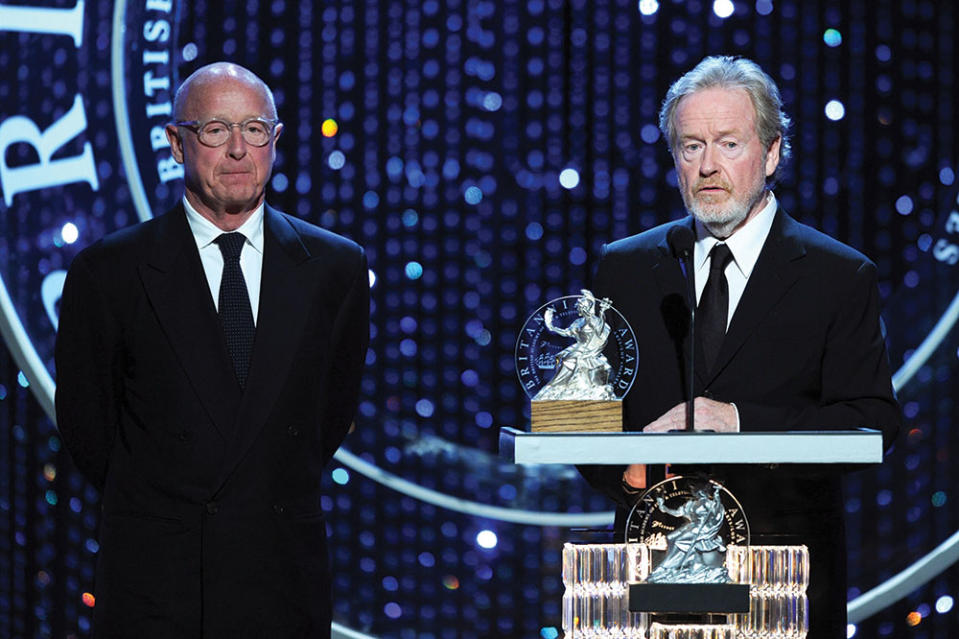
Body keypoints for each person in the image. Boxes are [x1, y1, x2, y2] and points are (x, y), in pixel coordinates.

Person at [578, 56, 901, 637]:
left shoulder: (838, 275)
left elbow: (872, 425)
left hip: (784, 583)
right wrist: (629, 476)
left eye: (728, 144)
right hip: (655, 573)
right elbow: (586, 415)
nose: (708, 166)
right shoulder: (625, 268)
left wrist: (740, 422)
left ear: (772, 153)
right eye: (691, 145)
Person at [54, 62, 369, 638]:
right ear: (177, 143)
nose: (238, 151)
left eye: (254, 130)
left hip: (281, 576)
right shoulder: (110, 272)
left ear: (275, 141)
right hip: (157, 581)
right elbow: (87, 429)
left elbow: (328, 417)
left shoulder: (335, 268)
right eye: (216, 130)